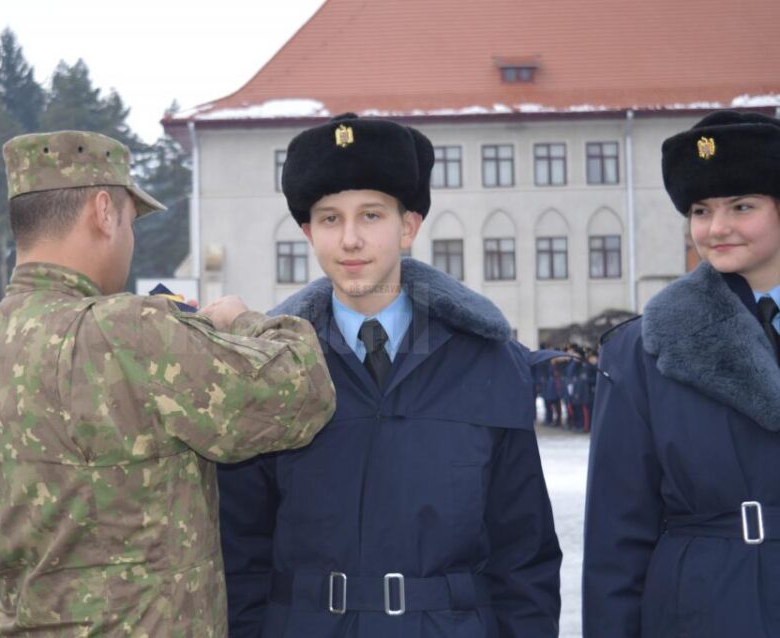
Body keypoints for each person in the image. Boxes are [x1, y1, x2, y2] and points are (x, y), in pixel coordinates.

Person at [0, 130, 336, 637]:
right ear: (103, 212)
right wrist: (242, 322)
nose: (130, 239)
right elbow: (303, 392)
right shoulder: (127, 333)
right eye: (129, 221)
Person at [218, 113, 561, 637]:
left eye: (371, 215)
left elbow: (524, 554)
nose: (350, 239)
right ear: (308, 232)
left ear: (409, 225)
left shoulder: (489, 363)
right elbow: (240, 553)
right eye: (330, 219)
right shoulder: (270, 369)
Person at [583, 110, 780, 637]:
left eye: (742, 206)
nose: (717, 228)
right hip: (702, 610)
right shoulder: (643, 351)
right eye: (701, 210)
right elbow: (616, 539)